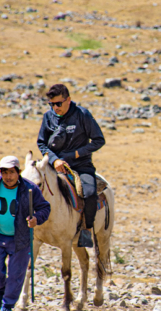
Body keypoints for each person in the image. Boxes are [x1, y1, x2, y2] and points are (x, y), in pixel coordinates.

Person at [0, 156, 50, 311]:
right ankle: (1, 291)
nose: (8, 176)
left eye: (11, 172)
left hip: (20, 238)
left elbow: (44, 208)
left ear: (18, 172)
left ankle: (7, 305)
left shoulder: (30, 189)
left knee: (16, 274)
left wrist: (36, 219)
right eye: (4, 172)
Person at [37, 83, 105, 248]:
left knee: (89, 193)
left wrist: (76, 154)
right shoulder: (48, 117)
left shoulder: (83, 115)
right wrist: (54, 160)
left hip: (80, 166)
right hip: (54, 165)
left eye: (58, 104)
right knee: (31, 185)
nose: (55, 107)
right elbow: (41, 143)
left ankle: (87, 230)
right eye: (51, 104)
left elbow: (99, 140)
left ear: (68, 100)